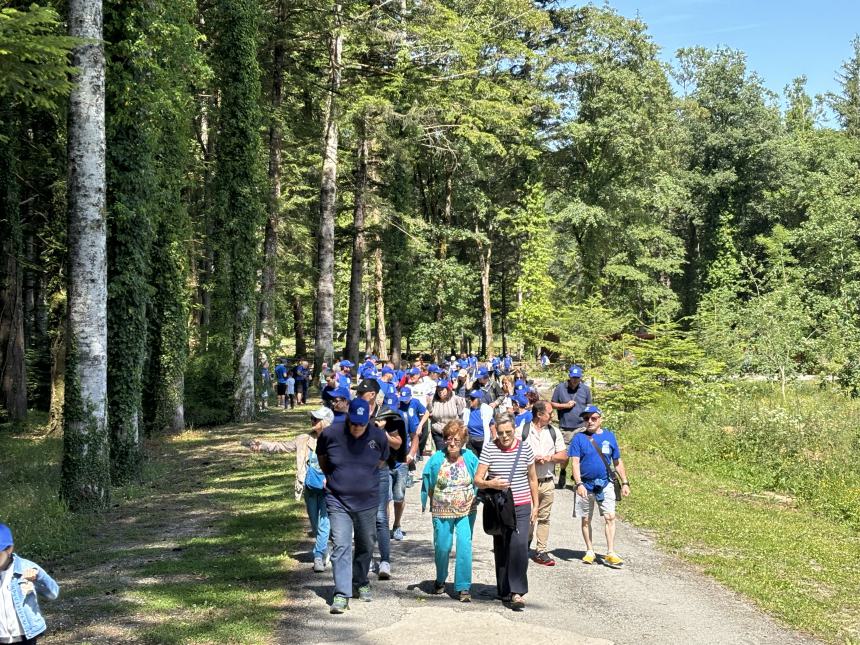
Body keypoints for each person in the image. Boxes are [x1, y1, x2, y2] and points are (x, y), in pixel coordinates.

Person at [316, 398, 390, 613]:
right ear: (348, 418)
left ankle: (360, 581)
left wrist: (361, 478)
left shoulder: (378, 437)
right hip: (337, 499)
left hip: (367, 501)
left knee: (366, 543)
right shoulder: (331, 434)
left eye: (362, 424)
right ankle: (341, 593)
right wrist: (336, 477)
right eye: (354, 423)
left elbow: (381, 461)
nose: (357, 428)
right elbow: (323, 459)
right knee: (341, 545)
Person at [474, 415, 538, 610]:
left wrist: (535, 506)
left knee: (519, 546)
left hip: (521, 503)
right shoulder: (490, 448)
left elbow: (532, 478)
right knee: (502, 546)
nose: (504, 436)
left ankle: (517, 591)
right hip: (500, 506)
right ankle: (504, 589)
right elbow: (477, 479)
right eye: (500, 433)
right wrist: (490, 483)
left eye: (508, 432)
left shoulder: (525, 448)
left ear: (514, 430)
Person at [421, 420, 479, 602]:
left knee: (464, 545)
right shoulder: (437, 458)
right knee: (443, 547)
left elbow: (478, 479)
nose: (451, 443)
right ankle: (440, 579)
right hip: (441, 511)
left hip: (466, 510)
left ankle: (463, 587)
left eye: (456, 439)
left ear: (463, 441)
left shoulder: (470, 457)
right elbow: (429, 484)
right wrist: (432, 502)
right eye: (448, 439)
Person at [568, 405, 630, 567]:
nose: (589, 421)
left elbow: (617, 462)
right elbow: (574, 463)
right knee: (586, 519)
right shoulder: (579, 438)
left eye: (593, 418)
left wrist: (624, 482)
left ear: (600, 419)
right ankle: (589, 550)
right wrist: (579, 483)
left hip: (605, 484)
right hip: (585, 485)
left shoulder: (610, 436)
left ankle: (610, 552)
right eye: (586, 418)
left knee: (610, 517)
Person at [520, 401, 567, 566]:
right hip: (526, 482)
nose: (552, 416)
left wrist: (549, 458)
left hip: (547, 481)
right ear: (539, 414)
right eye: (549, 413)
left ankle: (541, 550)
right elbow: (513, 452)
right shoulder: (523, 430)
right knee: (527, 517)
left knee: (544, 517)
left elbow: (563, 456)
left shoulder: (554, 432)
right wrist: (531, 460)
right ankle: (524, 543)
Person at [0, 523, 60, 644]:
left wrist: (38, 578)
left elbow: (53, 593)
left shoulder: (26, 568)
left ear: (9, 549)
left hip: (24, 636)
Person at [296, 407, 335, 572]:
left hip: (328, 489)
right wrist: (261, 445)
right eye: (312, 419)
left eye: (316, 419)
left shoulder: (336, 441)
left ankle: (318, 555)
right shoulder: (304, 439)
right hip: (310, 488)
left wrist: (332, 477)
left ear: (325, 422)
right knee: (315, 523)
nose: (312, 421)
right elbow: (282, 446)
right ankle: (325, 548)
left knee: (324, 523)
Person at [550, 365, 592, 489]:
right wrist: (565, 406)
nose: (575, 380)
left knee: (581, 453)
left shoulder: (585, 389)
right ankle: (563, 471)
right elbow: (552, 404)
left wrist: (589, 420)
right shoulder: (560, 388)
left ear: (580, 378)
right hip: (565, 427)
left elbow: (589, 405)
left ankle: (578, 478)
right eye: (573, 377)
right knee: (565, 455)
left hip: (581, 426)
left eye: (577, 378)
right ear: (569, 376)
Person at [427, 380, 466, 452]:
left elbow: (461, 412)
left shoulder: (455, 398)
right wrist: (429, 403)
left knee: (453, 452)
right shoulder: (434, 400)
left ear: (447, 389)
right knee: (441, 453)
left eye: (442, 389)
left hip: (453, 432)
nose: (440, 392)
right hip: (438, 432)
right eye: (438, 390)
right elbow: (430, 412)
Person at [462, 390, 495, 457]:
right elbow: (464, 425)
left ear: (478, 400)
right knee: (473, 460)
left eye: (472, 399)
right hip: (471, 440)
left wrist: (494, 438)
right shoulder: (467, 410)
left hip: (482, 440)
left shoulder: (485, 410)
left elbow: (492, 424)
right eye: (469, 398)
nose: (470, 400)